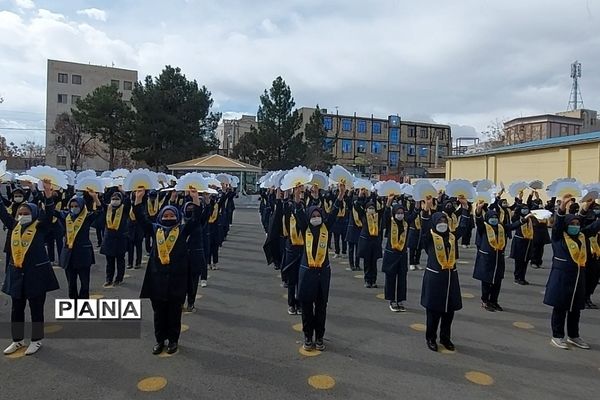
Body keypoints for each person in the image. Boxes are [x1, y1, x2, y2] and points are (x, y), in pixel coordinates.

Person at [135, 187, 202, 355]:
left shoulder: (182, 230)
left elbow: (196, 219)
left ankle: (173, 340)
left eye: (172, 216)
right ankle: (159, 340)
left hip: (176, 280)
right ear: (160, 217)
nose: (169, 218)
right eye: (166, 216)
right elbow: (141, 219)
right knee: (158, 314)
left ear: (177, 217)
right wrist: (138, 199)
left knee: (174, 313)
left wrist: (195, 199)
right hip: (156, 280)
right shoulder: (155, 229)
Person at [2, 180, 58, 356]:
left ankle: (36, 340)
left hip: (36, 275)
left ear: (33, 214)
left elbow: (48, 215)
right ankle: (17, 340)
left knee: (36, 309)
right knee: (16, 309)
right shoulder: (14, 226)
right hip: (17, 274)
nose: (22, 215)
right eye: (20, 213)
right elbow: (2, 213)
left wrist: (48, 196)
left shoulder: (40, 228)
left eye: (26, 213)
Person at [544, 195, 600, 350]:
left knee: (575, 310)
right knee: (560, 308)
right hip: (561, 279)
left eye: (577, 224)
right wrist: (562, 207)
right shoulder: (559, 238)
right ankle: (557, 336)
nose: (575, 226)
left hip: (578, 280)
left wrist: (586, 208)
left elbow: (594, 227)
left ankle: (573, 335)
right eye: (572, 224)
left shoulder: (582, 236)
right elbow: (558, 224)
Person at [293, 184, 344, 352]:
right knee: (307, 307)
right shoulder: (305, 226)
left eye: (318, 215)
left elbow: (335, 212)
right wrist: (297, 195)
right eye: (313, 215)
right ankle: (308, 337)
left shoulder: (325, 228)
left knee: (321, 307)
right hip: (307, 272)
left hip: (323, 274)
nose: (316, 217)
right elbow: (299, 211)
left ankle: (320, 337)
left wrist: (341, 194)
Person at [420, 199, 462, 352]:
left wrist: (465, 207)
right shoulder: (430, 238)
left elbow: (463, 226)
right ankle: (430, 338)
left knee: (449, 312)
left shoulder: (451, 237)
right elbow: (424, 227)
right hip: (435, 279)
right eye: (440, 221)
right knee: (433, 312)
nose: (443, 223)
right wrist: (426, 209)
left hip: (451, 278)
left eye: (444, 221)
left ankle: (445, 338)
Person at [473, 202, 529, 312]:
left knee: (497, 282)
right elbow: (479, 221)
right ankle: (485, 301)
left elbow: (513, 226)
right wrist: (478, 212)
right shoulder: (484, 228)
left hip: (498, 260)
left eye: (495, 217)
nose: (494, 219)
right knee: (486, 282)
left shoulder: (501, 227)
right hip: (487, 260)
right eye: (492, 217)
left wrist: (524, 219)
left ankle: (494, 301)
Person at [57, 192, 102, 299]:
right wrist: (47, 194)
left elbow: (100, 211)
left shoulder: (87, 217)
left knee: (85, 284)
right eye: (71, 206)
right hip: (69, 255)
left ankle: (83, 306)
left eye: (76, 206)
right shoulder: (65, 216)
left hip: (83, 255)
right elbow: (51, 212)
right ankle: (73, 305)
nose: (74, 208)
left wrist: (95, 197)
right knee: (71, 285)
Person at [382, 196, 414, 312]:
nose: (400, 215)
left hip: (402, 255)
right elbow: (386, 213)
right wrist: (389, 202)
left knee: (402, 279)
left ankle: (400, 300)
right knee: (390, 278)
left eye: (402, 212)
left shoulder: (406, 224)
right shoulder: (390, 222)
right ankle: (392, 300)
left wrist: (420, 202)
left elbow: (415, 213)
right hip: (392, 255)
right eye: (398, 212)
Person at [183, 199, 212, 311]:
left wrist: (207, 202)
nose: (190, 210)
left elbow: (204, 213)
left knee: (193, 282)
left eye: (192, 208)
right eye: (188, 208)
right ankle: (180, 302)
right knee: (181, 282)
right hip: (182, 257)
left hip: (195, 256)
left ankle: (191, 303)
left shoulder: (199, 222)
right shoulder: (179, 223)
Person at [100, 191, 130, 287]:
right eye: (113, 199)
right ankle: (109, 279)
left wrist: (124, 192)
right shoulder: (107, 208)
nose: (115, 201)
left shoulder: (124, 209)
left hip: (120, 238)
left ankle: (119, 278)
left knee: (120, 260)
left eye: (117, 199)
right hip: (109, 238)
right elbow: (99, 203)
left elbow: (128, 202)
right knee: (109, 261)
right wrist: (97, 195)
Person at [355, 191, 384, 288]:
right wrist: (360, 196)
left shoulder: (377, 216)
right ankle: (367, 280)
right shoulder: (363, 215)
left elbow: (385, 209)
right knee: (367, 262)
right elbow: (357, 206)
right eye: (369, 208)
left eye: (372, 208)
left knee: (374, 262)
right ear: (366, 209)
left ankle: (373, 280)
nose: (371, 209)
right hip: (366, 241)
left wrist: (388, 199)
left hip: (375, 242)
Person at [510, 202, 534, 285]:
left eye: (526, 209)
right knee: (519, 261)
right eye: (523, 209)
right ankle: (517, 277)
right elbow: (514, 222)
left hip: (528, 242)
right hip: (519, 241)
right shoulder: (517, 217)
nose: (525, 210)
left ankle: (522, 277)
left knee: (525, 261)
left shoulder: (530, 218)